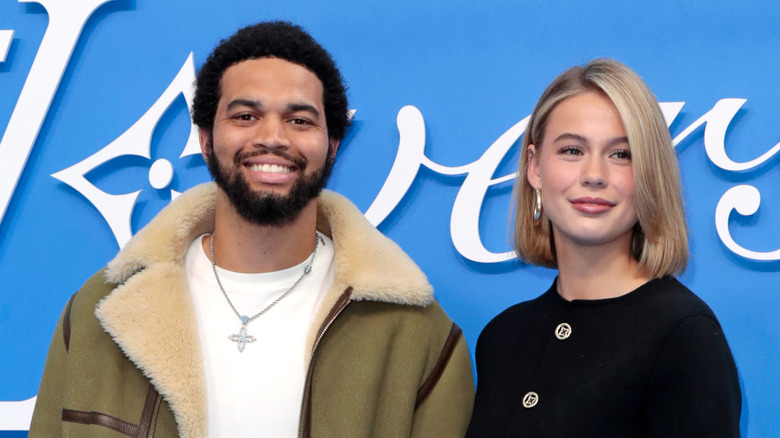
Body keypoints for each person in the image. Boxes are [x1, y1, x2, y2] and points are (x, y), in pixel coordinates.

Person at [29, 21, 474, 437]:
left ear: (333, 146)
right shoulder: (98, 313)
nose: (273, 137)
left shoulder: (418, 335)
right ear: (205, 140)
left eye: (300, 120)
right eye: (245, 116)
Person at [466, 59, 741, 437]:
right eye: (572, 151)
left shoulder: (684, 336)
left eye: (621, 154)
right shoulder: (501, 338)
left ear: (650, 173)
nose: (594, 175)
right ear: (534, 167)